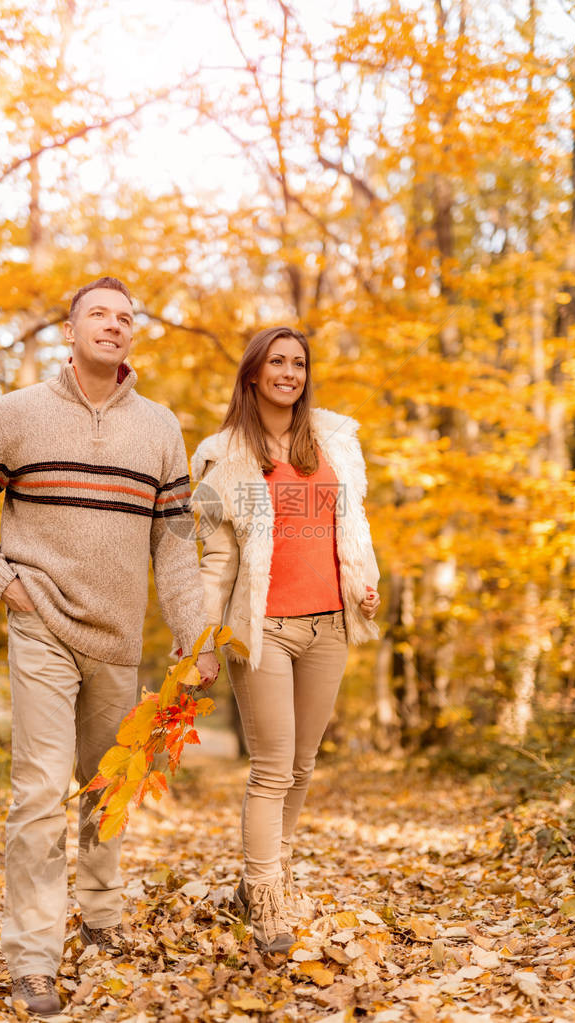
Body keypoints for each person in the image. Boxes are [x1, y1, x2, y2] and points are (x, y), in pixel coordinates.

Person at [0, 277, 220, 1016]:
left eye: (125, 317)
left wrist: (196, 639)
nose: (113, 324)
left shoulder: (160, 427)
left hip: (119, 638)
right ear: (69, 331)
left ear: (132, 336)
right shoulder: (18, 413)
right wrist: (4, 579)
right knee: (38, 791)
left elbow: (176, 543)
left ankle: (98, 912)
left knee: (109, 787)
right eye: (97, 313)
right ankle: (33, 956)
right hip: (40, 621)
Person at [191, 326, 380, 954]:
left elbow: (349, 527)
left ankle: (270, 871)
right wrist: (202, 640)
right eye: (277, 361)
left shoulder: (331, 442)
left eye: (299, 363)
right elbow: (214, 560)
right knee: (272, 767)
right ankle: (266, 895)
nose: (289, 372)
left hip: (329, 625)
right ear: (253, 373)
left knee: (303, 764)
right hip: (263, 629)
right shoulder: (225, 455)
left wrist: (361, 583)